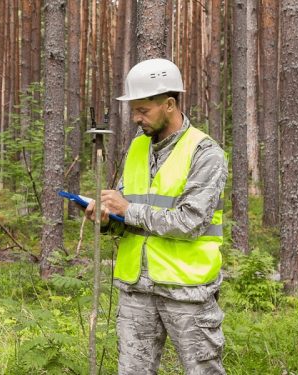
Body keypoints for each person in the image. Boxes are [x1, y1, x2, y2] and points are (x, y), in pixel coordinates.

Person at [85, 58, 228, 375]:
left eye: (143, 110)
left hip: (186, 293)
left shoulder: (205, 152)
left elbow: (191, 222)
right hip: (136, 290)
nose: (135, 118)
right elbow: (130, 217)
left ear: (169, 104)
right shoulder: (137, 148)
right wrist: (108, 220)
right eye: (133, 110)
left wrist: (127, 209)